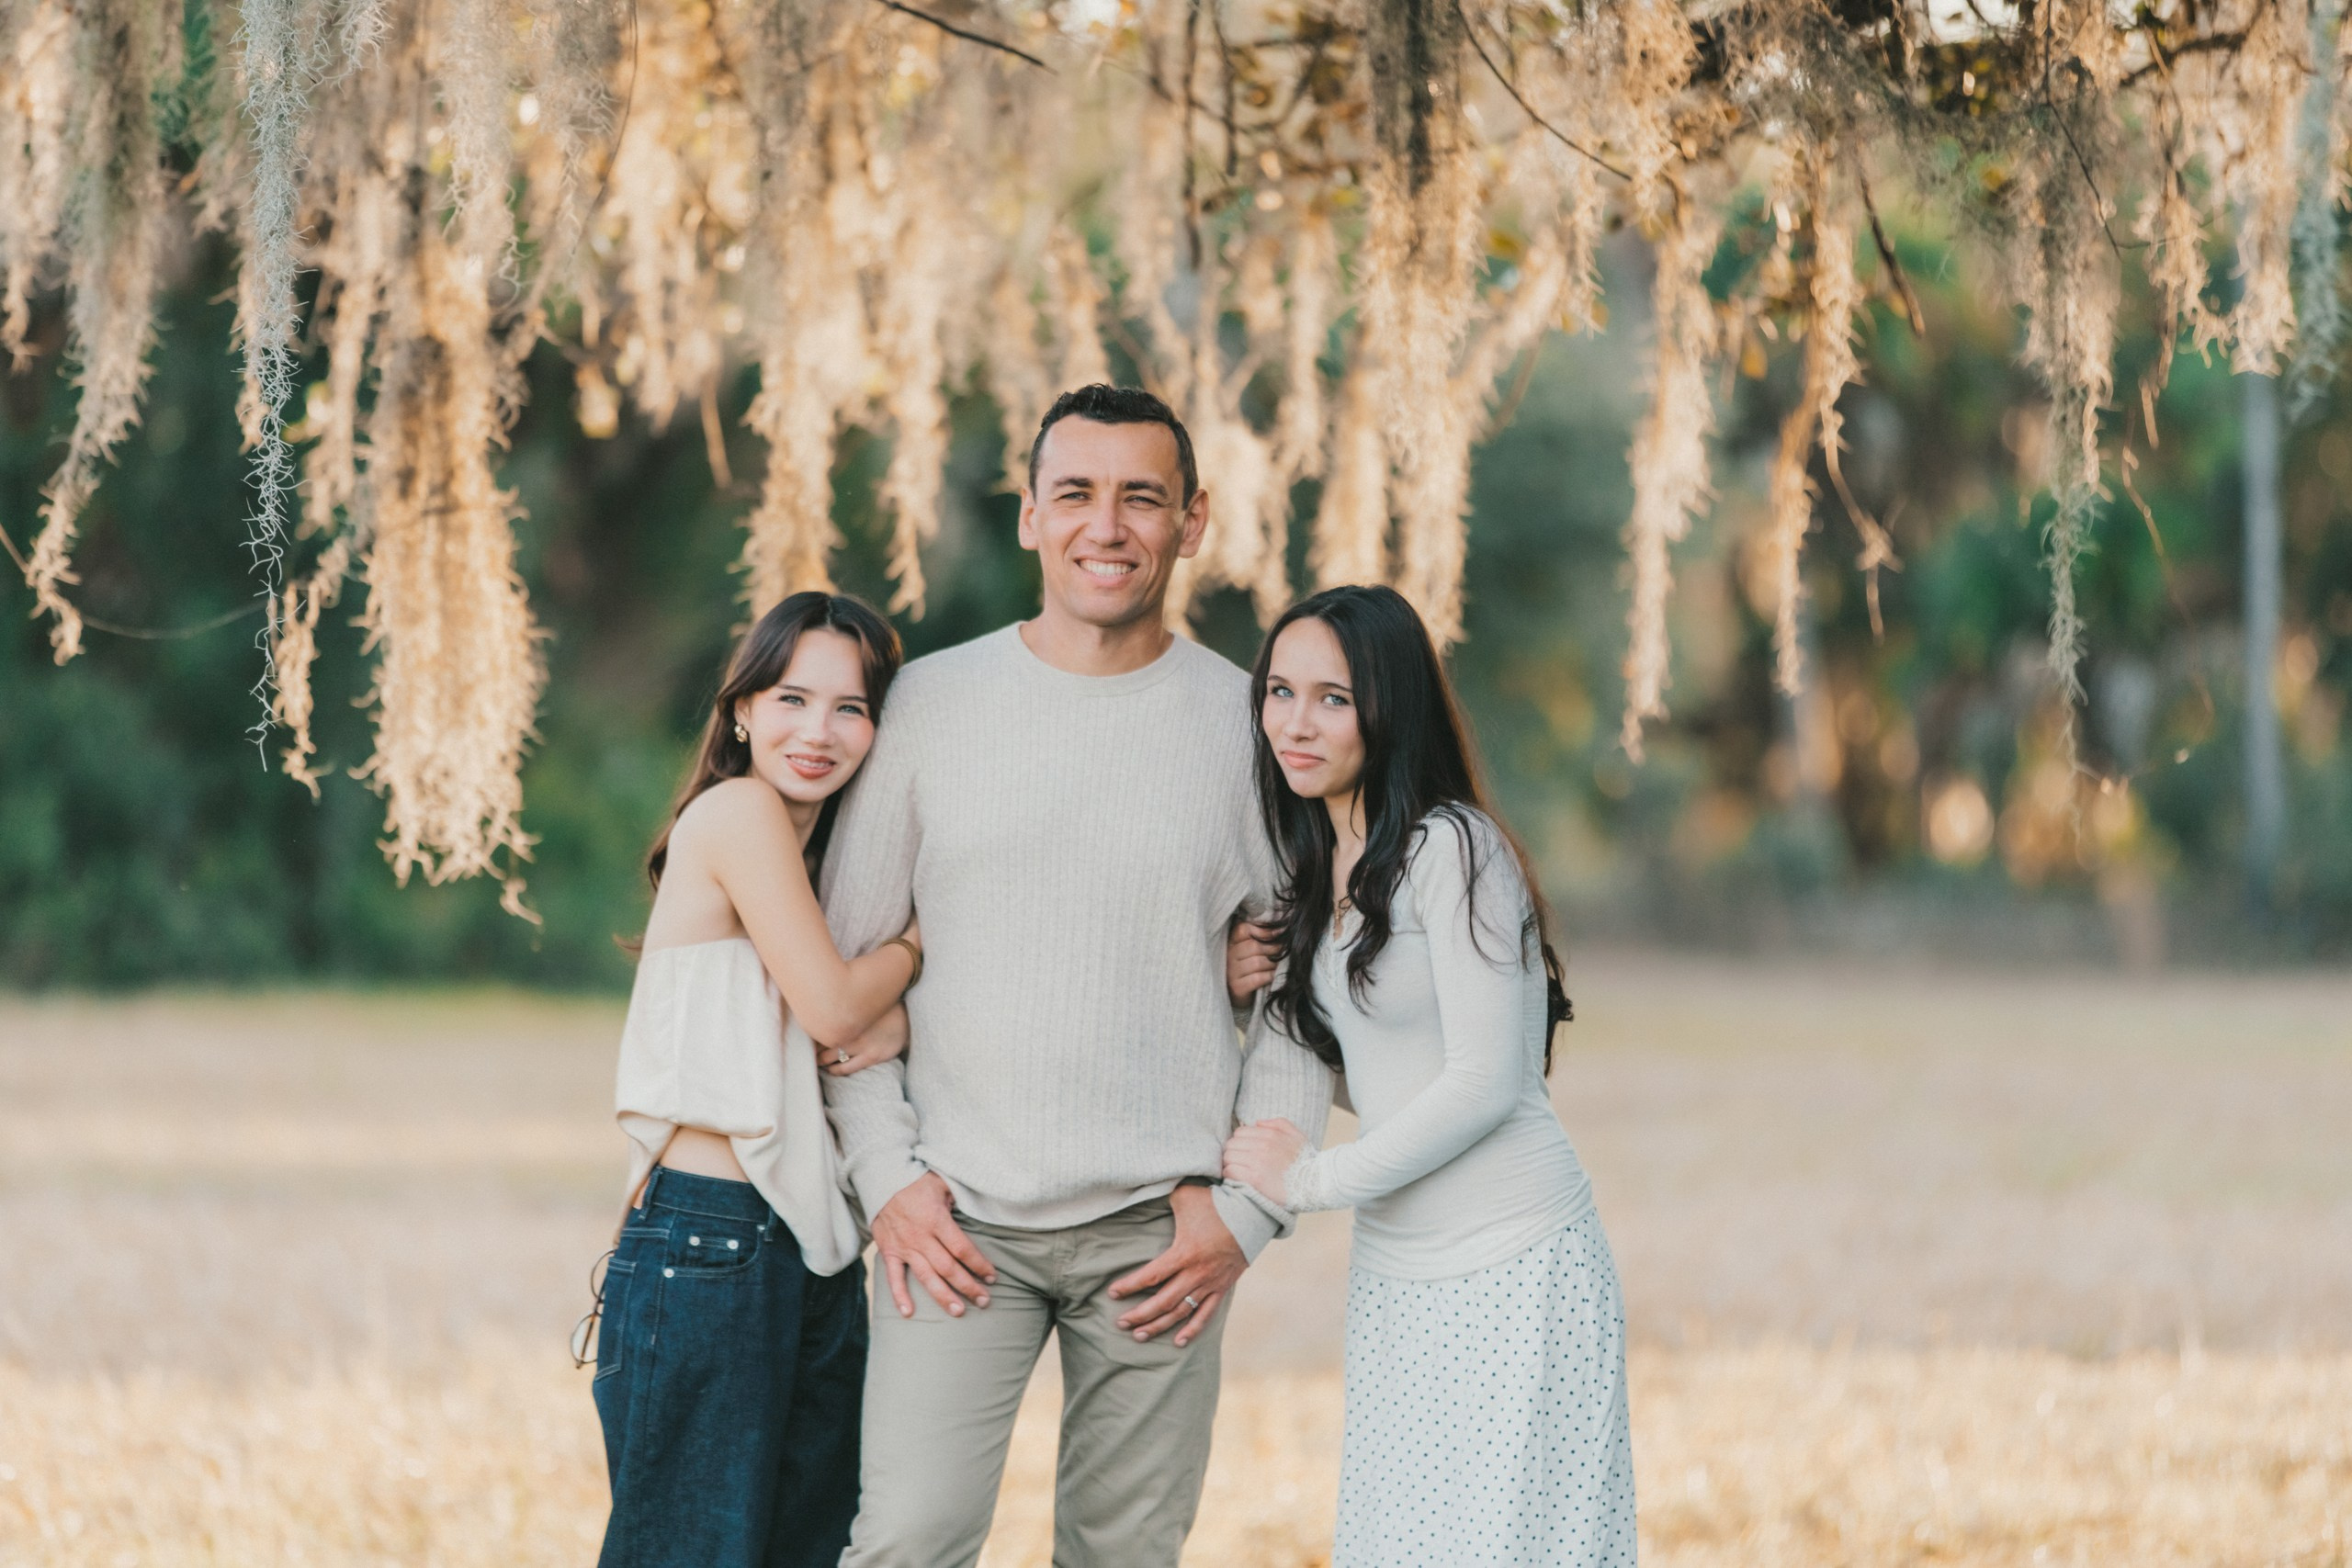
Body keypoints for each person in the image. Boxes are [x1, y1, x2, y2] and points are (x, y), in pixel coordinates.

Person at [804, 383, 1334, 1568]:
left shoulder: (1248, 725)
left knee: (1121, 1556)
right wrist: (888, 1178)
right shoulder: (931, 705)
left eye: (1141, 498)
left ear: (1192, 521)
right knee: (907, 1539)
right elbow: (845, 971)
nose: (1109, 525)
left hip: (1164, 1239)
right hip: (955, 1226)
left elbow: (1300, 997)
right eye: (1077, 494)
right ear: (1031, 515)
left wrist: (1245, 1214)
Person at [1222, 583, 1636, 1567]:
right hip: (1400, 1276)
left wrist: (1308, 1180)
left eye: (1332, 696)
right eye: (1280, 691)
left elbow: (1487, 1083)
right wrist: (1258, 1000)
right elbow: (1394, 1078)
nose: (1296, 720)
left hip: (1516, 1261)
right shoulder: (1324, 859)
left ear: (1390, 703)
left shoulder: (1454, 847)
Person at [593, 591, 922, 1568]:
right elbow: (830, 1011)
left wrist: (881, 1004)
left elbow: (836, 1024)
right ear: (741, 710)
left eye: (850, 708)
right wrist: (911, 950)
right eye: (790, 699)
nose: (817, 731)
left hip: (808, 1249)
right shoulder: (738, 813)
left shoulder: (828, 859)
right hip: (710, 1237)